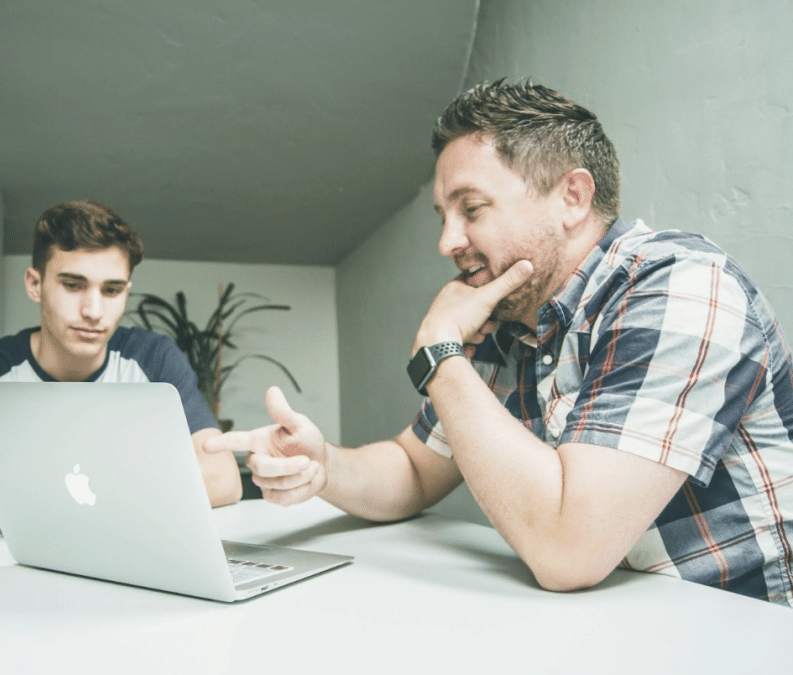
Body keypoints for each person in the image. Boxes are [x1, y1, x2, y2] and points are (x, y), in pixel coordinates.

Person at [206, 79, 793, 606]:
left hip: (746, 631)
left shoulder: (681, 287)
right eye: (443, 215)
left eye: (472, 209)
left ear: (573, 198)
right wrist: (325, 465)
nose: (447, 241)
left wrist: (440, 351)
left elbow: (570, 551)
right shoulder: (510, 319)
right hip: (616, 622)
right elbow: (414, 468)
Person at [0, 200, 242, 528]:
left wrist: (80, 501)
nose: (93, 310)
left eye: (112, 290)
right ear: (35, 284)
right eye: (72, 285)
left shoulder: (152, 358)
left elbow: (223, 478)